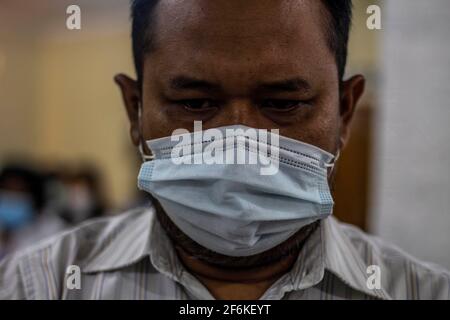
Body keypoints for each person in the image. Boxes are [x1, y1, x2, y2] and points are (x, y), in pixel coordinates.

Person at [1, 0, 449, 300]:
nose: (240, 142)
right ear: (134, 110)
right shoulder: (38, 285)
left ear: (345, 112)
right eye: (194, 103)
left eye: (284, 104)